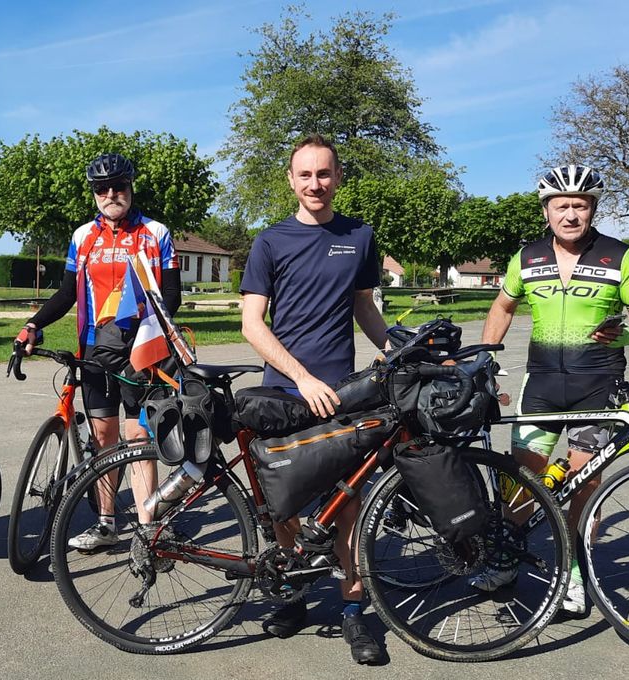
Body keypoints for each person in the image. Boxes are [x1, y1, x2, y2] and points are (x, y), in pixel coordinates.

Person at [475, 164, 629, 615]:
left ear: (593, 209)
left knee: (583, 488)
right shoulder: (527, 257)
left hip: (598, 389)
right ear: (546, 211)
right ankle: (505, 561)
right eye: (562, 206)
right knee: (521, 481)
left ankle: (575, 576)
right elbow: (502, 306)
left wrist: (627, 336)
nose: (571, 214)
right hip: (540, 386)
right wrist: (484, 356)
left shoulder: (621, 256)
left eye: (580, 205)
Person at [239, 134, 388, 664]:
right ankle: (297, 591)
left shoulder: (359, 236)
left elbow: (364, 307)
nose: (315, 184)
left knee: (347, 503)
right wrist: (300, 377)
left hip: (344, 391)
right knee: (285, 502)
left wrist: (395, 350)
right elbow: (252, 324)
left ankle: (353, 611)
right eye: (305, 175)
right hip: (284, 389)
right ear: (291, 180)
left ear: (338, 177)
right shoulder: (270, 241)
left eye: (324, 174)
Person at [15, 153, 182, 549]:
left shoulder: (156, 232)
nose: (111, 194)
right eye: (101, 189)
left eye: (118, 187)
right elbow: (68, 292)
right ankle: (107, 522)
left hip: (143, 347)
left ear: (130, 188)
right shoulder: (81, 237)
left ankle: (147, 524)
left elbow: (172, 294)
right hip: (94, 349)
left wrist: (145, 330)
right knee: (104, 435)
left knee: (139, 435)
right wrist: (34, 323)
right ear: (94, 195)